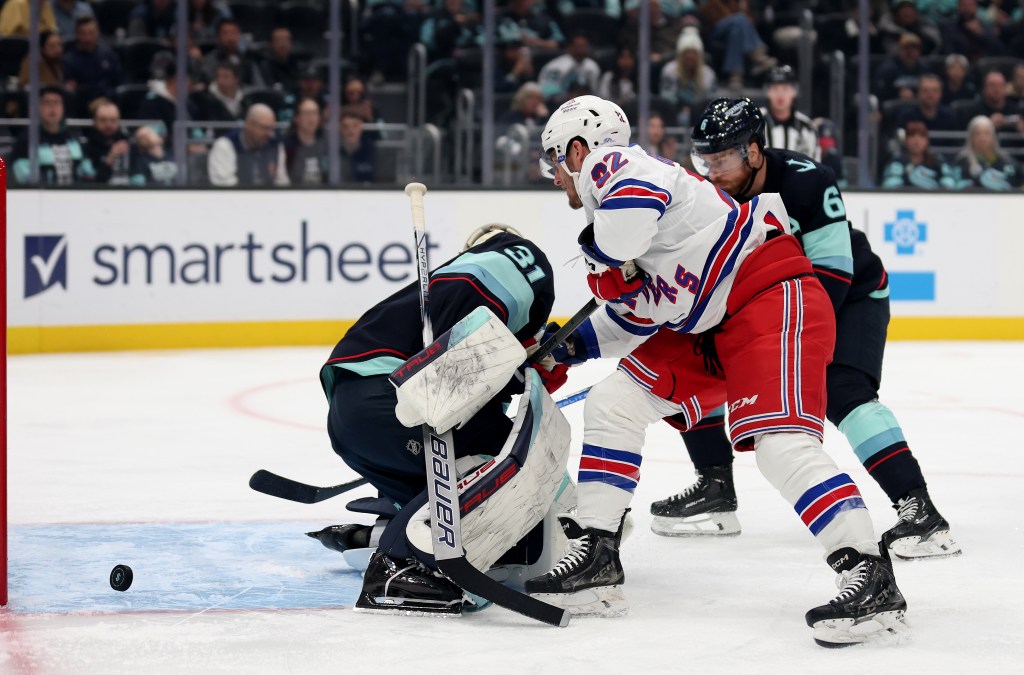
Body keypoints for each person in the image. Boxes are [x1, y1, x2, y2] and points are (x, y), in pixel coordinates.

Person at [530, 95, 908, 646]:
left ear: (578, 149)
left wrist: (602, 260)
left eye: (555, 162)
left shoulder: (617, 168)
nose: (556, 177)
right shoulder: (611, 206)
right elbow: (636, 318)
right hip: (713, 321)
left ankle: (870, 575)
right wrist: (563, 348)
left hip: (768, 295)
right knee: (614, 402)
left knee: (781, 446)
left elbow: (623, 239)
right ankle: (599, 558)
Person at [649, 97, 960, 564]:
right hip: (767, 300)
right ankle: (715, 486)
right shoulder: (707, 192)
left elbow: (834, 273)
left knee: (843, 389)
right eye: (704, 161)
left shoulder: (806, 179)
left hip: (850, 295)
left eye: (723, 160)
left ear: (754, 151)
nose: (712, 173)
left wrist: (792, 339)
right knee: (693, 358)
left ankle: (920, 511)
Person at [317, 224, 564, 616]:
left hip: (351, 413)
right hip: (393, 403)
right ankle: (400, 564)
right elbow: (465, 391)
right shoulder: (526, 280)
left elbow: (460, 372)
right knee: (505, 457)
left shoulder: (445, 285)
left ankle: (395, 524)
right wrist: (521, 368)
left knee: (468, 455)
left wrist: (516, 369)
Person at [11, 85, 96, 185]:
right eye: (47, 103)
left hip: (75, 196)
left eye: (56, 103)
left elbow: (88, 173)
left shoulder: (75, 139)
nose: (52, 108)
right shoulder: (26, 140)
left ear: (63, 108)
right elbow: (23, 176)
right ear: (37, 108)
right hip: (41, 196)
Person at [207, 103, 289, 186]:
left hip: (270, 197)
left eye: (271, 128)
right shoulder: (225, 145)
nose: (269, 133)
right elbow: (224, 185)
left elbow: (281, 181)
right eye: (264, 128)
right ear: (249, 124)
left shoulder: (276, 145)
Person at [62, 16, 124, 116]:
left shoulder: (109, 55)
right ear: (77, 34)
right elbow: (73, 90)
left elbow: (119, 81)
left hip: (111, 104)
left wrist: (106, 100)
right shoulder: (68, 61)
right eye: (83, 33)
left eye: (91, 32)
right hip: (83, 109)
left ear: (98, 33)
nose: (88, 38)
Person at [659, 26, 718, 127]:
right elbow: (666, 96)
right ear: (681, 55)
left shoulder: (708, 74)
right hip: (676, 110)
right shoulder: (669, 71)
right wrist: (681, 106)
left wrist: (694, 109)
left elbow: (711, 99)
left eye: (693, 53)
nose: (690, 57)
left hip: (700, 112)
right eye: (686, 53)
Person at [761, 64, 819, 161]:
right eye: (775, 89)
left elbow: (814, 167)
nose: (780, 95)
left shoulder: (806, 127)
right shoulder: (754, 122)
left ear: (794, 91)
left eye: (785, 89)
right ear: (767, 92)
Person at [950, 115, 1022, 190]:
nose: (982, 138)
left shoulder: (1005, 160)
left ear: (993, 137)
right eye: (977, 133)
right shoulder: (963, 161)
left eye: (986, 133)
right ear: (971, 137)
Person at [882, 119, 957, 189]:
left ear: (927, 141)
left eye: (921, 136)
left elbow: (949, 182)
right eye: (912, 136)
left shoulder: (937, 161)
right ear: (905, 141)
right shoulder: (897, 162)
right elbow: (890, 185)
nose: (916, 140)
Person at [537, 33, 601, 105]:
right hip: (559, 105)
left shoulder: (593, 67)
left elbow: (596, 92)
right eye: (578, 46)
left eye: (584, 46)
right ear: (569, 47)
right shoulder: (555, 66)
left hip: (586, 104)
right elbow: (547, 93)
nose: (581, 49)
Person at [83, 99, 132, 185]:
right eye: (103, 120)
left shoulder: (129, 143)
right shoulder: (85, 147)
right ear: (94, 121)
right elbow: (90, 182)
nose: (108, 125)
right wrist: (110, 159)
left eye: (113, 120)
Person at [283, 97, 327, 185]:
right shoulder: (286, 147)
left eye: (315, 113)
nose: (311, 118)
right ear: (296, 118)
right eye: (307, 113)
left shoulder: (327, 145)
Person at [895, 73, 960, 132]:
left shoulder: (950, 116)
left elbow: (956, 143)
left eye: (934, 91)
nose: (930, 95)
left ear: (941, 93)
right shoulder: (907, 116)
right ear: (918, 93)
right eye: (925, 90)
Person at [874, 32, 928, 102]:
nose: (910, 52)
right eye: (906, 48)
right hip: (894, 107)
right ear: (899, 50)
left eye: (914, 48)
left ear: (919, 51)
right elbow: (880, 94)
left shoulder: (925, 69)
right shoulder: (887, 69)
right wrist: (897, 94)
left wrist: (916, 95)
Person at [339, 107, 377, 184]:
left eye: (354, 125)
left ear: (361, 126)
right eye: (345, 126)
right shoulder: (332, 151)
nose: (350, 130)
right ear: (339, 128)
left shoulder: (372, 150)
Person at [259, 27, 302, 94]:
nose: (283, 44)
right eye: (278, 40)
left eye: (286, 40)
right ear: (271, 44)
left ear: (291, 43)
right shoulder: (265, 67)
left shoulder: (297, 64)